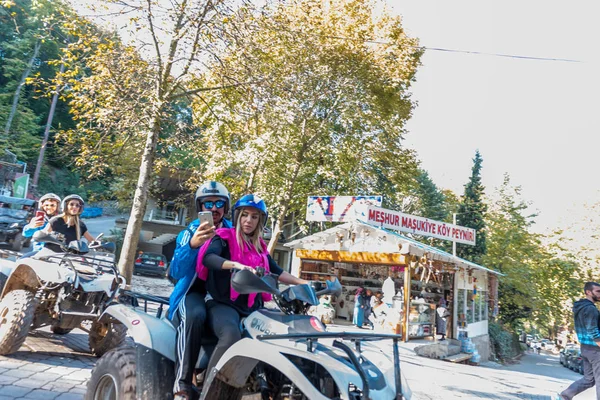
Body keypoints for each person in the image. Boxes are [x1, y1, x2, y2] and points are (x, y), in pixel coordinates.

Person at [196, 194, 309, 379]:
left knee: (280, 336)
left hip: (252, 308)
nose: (249, 220)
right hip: (222, 304)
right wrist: (237, 265)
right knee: (231, 335)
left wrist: (304, 282)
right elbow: (209, 258)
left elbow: (278, 272)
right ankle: (208, 388)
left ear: (260, 221)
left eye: (254, 217)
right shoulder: (224, 237)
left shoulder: (260, 248)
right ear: (237, 217)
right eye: (245, 215)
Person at [168, 181, 233, 400]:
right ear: (200, 207)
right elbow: (176, 271)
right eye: (208, 203)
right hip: (192, 293)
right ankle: (182, 385)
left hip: (223, 298)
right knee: (195, 315)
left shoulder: (234, 232)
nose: (213, 208)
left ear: (226, 206)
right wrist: (192, 246)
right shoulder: (188, 232)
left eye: (218, 203)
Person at [557, 282, 600, 400]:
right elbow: (593, 331)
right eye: (598, 291)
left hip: (585, 348)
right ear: (588, 292)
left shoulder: (580, 307)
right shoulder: (590, 309)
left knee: (589, 380)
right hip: (595, 350)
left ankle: (564, 396)